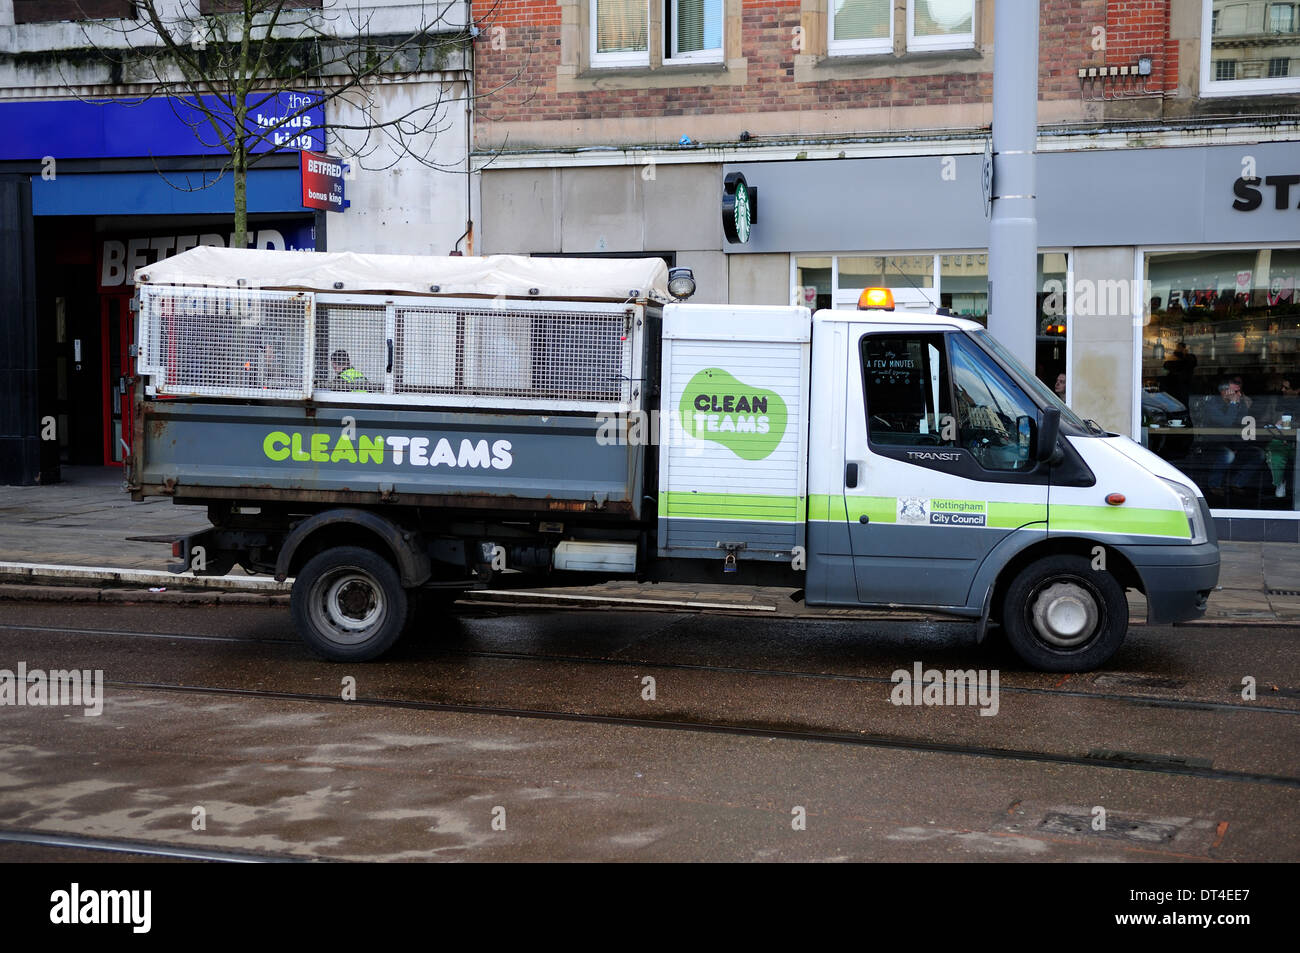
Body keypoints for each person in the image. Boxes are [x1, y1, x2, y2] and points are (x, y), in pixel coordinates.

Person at [1202, 378, 1265, 501]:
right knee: (1228, 455)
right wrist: (1233, 404)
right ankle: (1214, 485)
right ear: (1225, 392)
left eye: (1239, 391)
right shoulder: (1212, 405)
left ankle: (1237, 483)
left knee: (1259, 454)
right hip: (1213, 444)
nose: (1239, 395)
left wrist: (1243, 406)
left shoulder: (1238, 403)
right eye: (1236, 392)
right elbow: (1226, 422)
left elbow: (1243, 423)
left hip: (1235, 443)